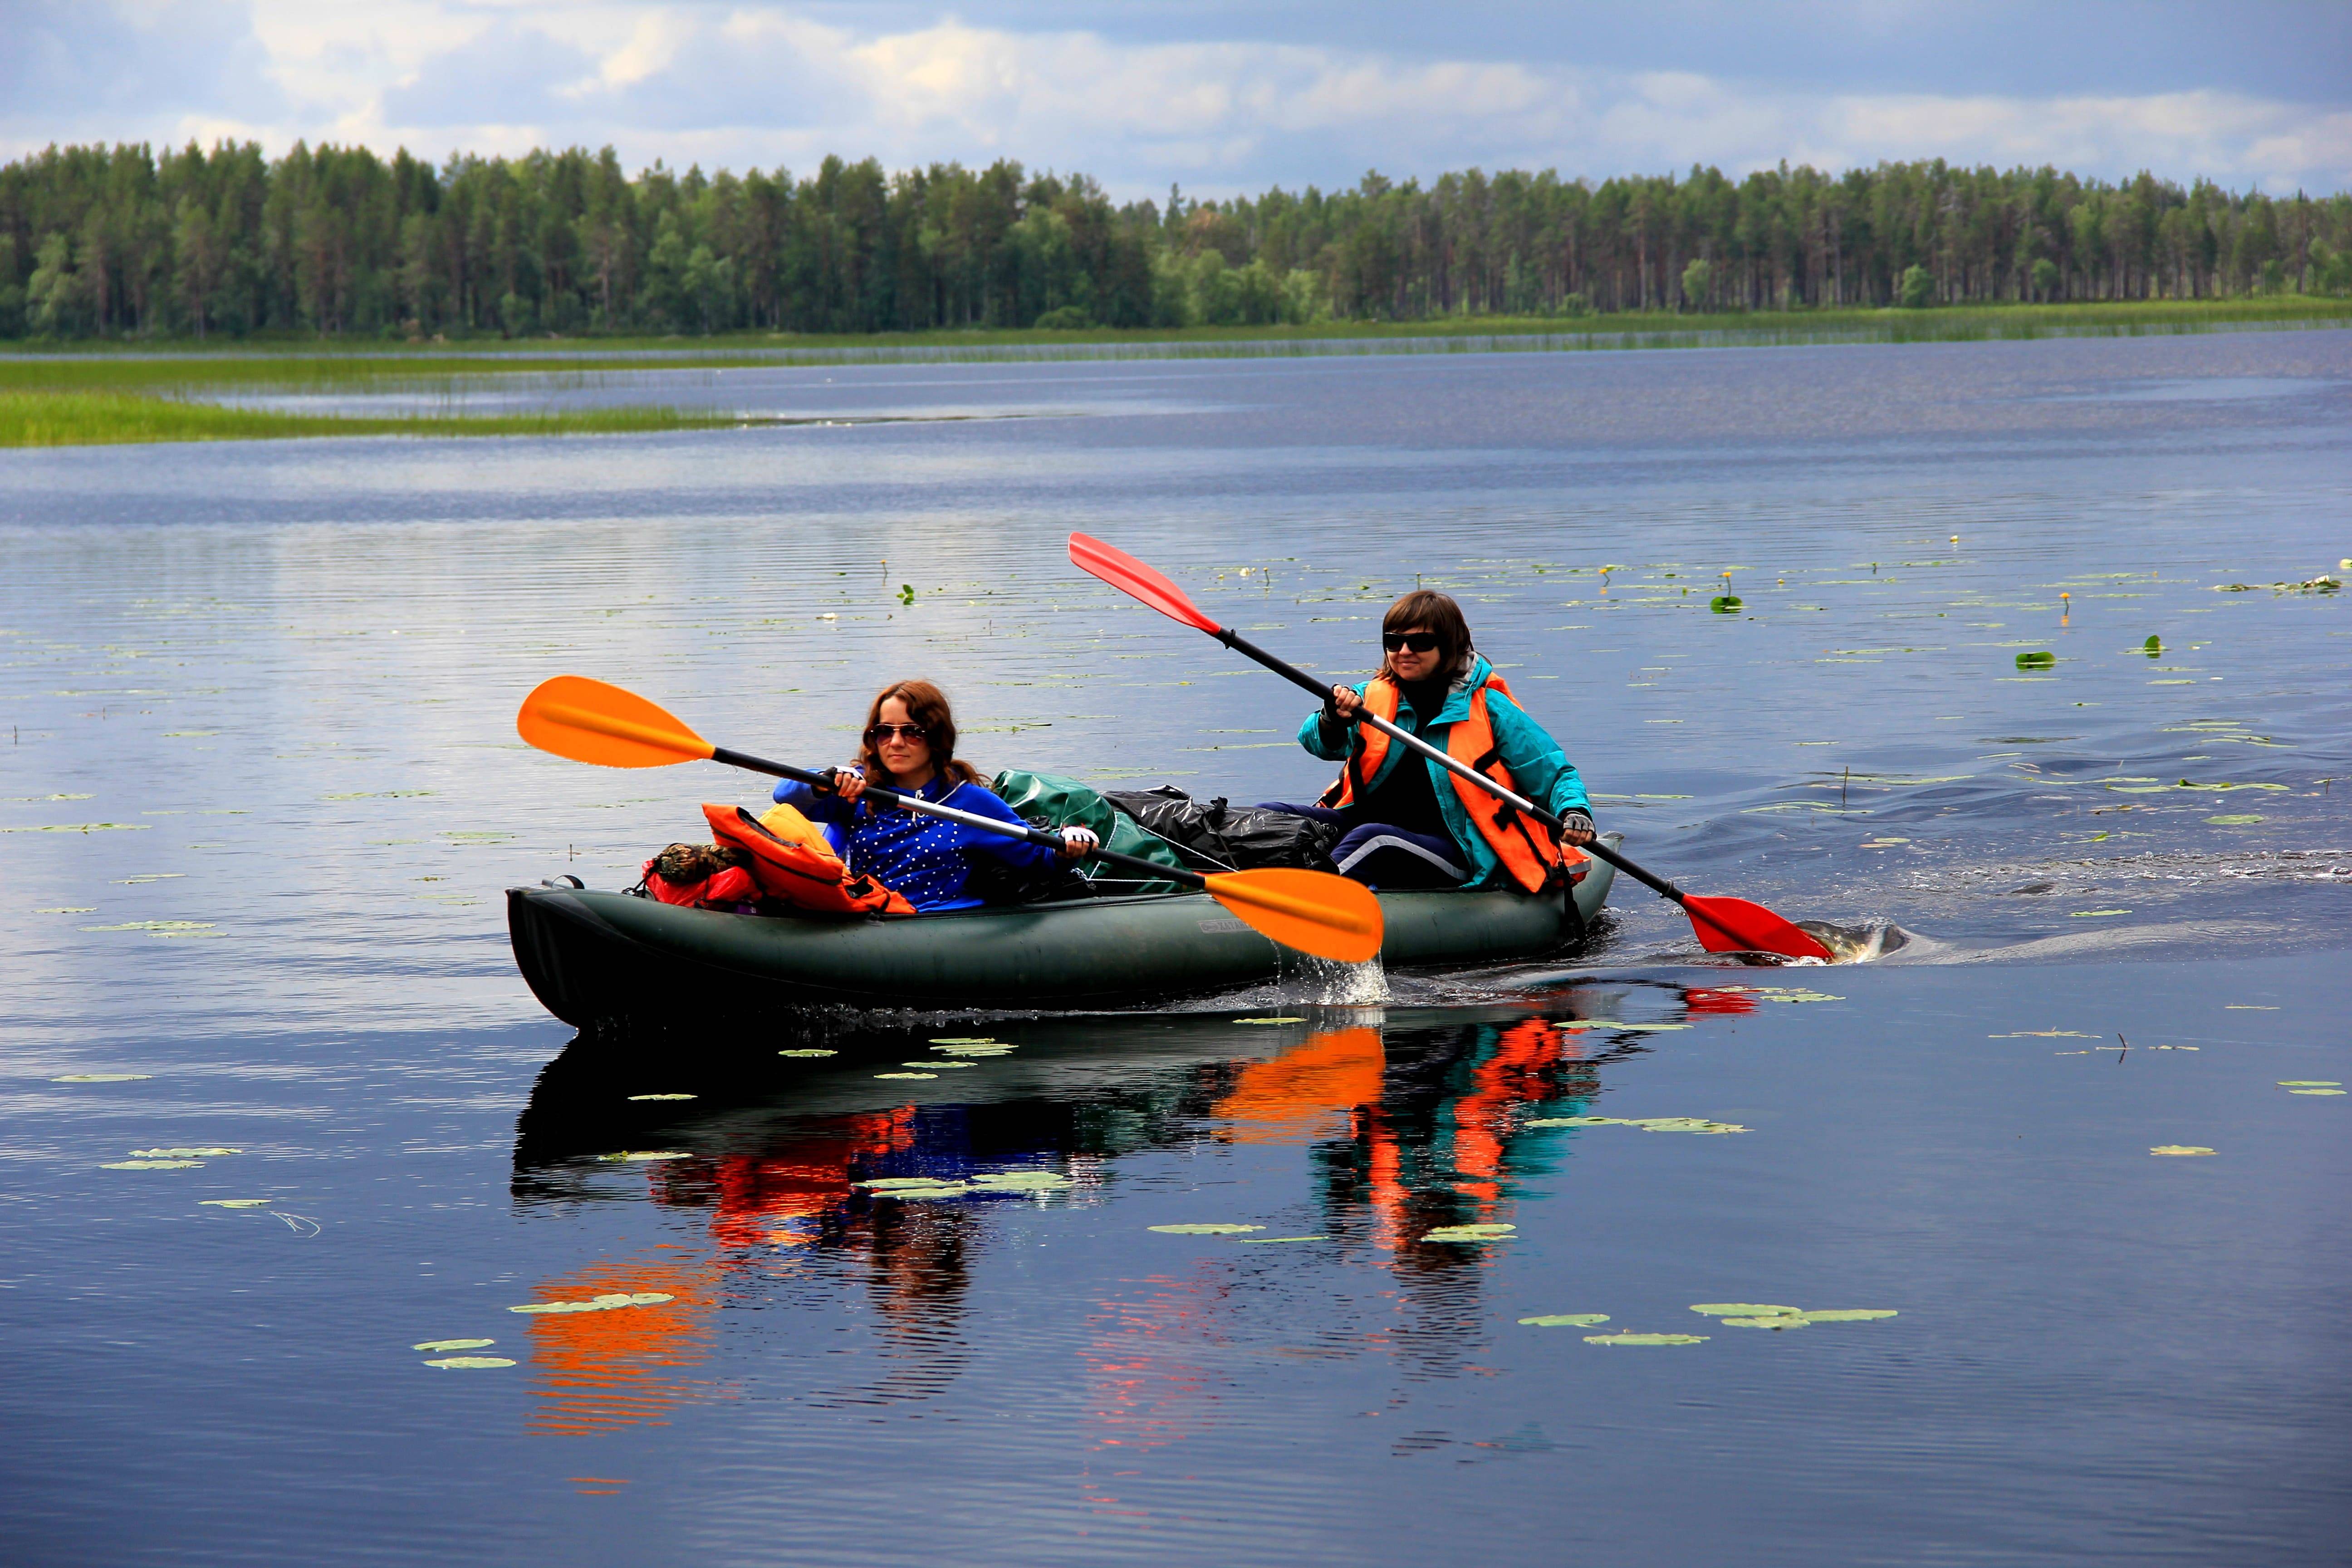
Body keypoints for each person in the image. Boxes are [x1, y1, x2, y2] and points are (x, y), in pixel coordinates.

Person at [1266, 590, 1595, 890]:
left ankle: (1304, 897)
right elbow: (1319, 744)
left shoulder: (1491, 709)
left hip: (1456, 848)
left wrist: (1575, 810)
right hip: (1364, 822)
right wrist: (1333, 718)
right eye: (1394, 642)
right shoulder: (1370, 698)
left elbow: (1553, 773)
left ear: (1449, 647)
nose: (1404, 652)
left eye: (1420, 643)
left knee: (1375, 840)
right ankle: (1226, 885)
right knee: (1271, 816)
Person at [771, 679, 1096, 912]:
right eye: (885, 732)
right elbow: (785, 796)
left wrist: (1070, 848)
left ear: (936, 738)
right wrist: (824, 781)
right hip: (868, 913)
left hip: (938, 923)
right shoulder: (857, 792)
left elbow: (1040, 861)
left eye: (911, 732)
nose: (895, 742)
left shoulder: (971, 803)